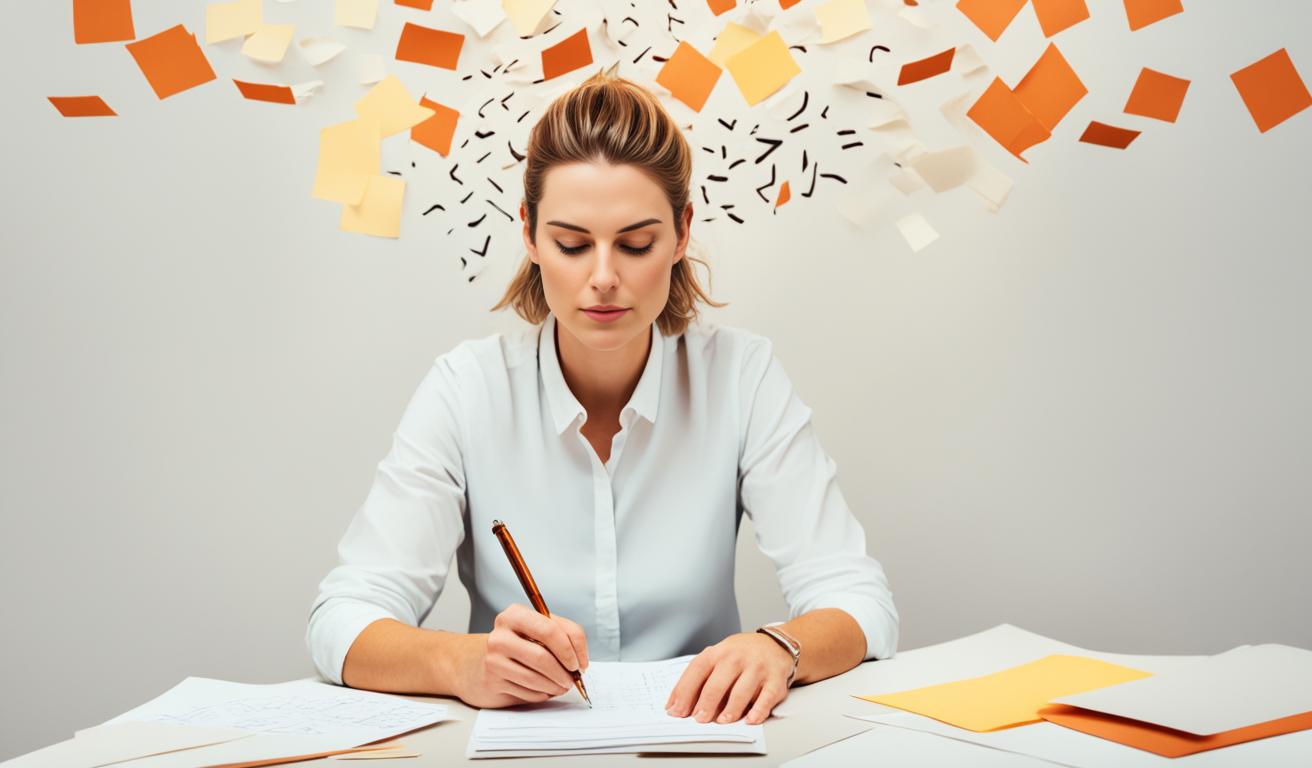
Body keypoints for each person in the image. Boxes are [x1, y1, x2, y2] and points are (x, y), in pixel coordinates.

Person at [307, 71, 898, 727]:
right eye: (572, 243)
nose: (604, 279)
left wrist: (780, 648)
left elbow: (858, 598)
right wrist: (461, 664)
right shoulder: (467, 390)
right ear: (529, 234)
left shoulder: (740, 377)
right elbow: (343, 618)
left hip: (698, 742)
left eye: (637, 243)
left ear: (681, 233)